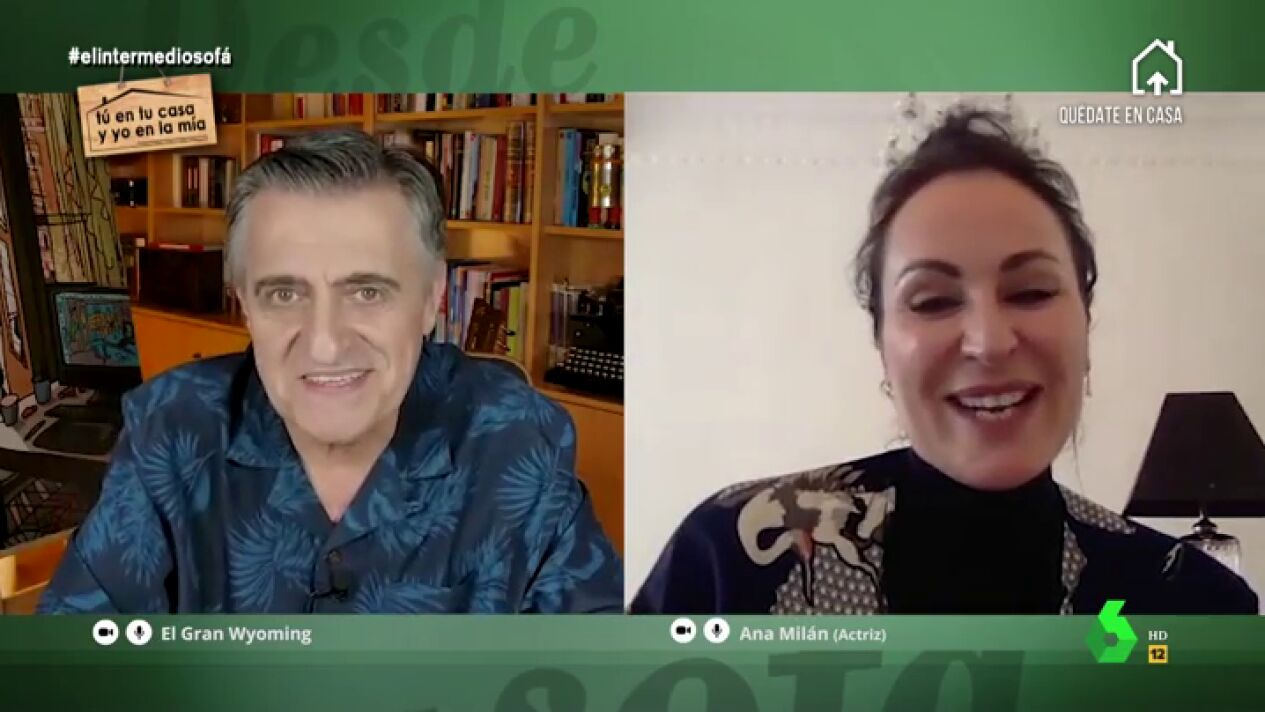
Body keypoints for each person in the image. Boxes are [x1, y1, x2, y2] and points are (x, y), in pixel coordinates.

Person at [630, 106, 1258, 615]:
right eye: (932, 301)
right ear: (882, 345)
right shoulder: (732, 559)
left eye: (1031, 292)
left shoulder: (1189, 602)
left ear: (1085, 325)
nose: (989, 341)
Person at [39, 129, 623, 614]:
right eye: (284, 293)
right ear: (245, 304)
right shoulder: (171, 428)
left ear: (432, 298)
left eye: (367, 291)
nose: (324, 344)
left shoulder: (519, 442)